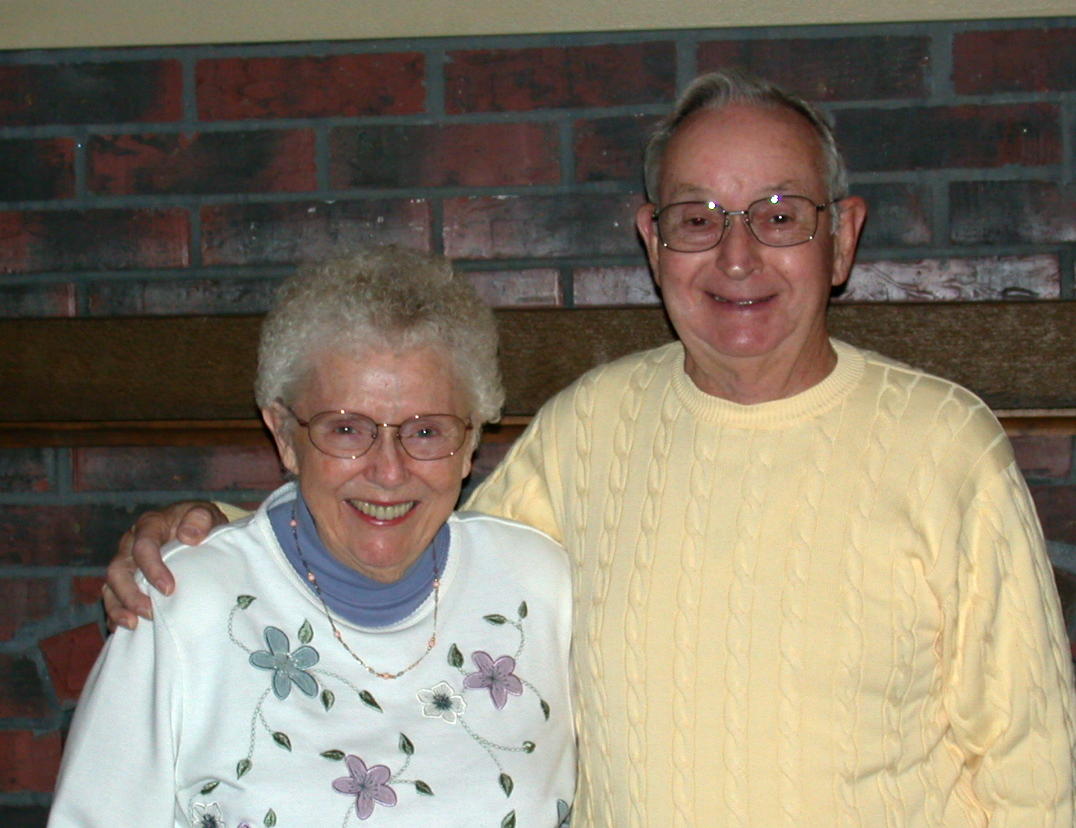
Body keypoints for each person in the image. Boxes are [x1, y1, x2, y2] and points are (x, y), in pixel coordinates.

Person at [104, 70, 1076, 826]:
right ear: (652, 243)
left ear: (840, 239)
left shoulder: (945, 447)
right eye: (697, 220)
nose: (736, 257)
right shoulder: (589, 430)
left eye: (778, 216)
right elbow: (415, 559)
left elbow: (1032, 770)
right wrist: (218, 538)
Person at [51, 246, 575, 827]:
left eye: (426, 431)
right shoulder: (181, 603)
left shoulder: (539, 585)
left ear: (473, 438)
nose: (389, 470)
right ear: (283, 435)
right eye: (346, 429)